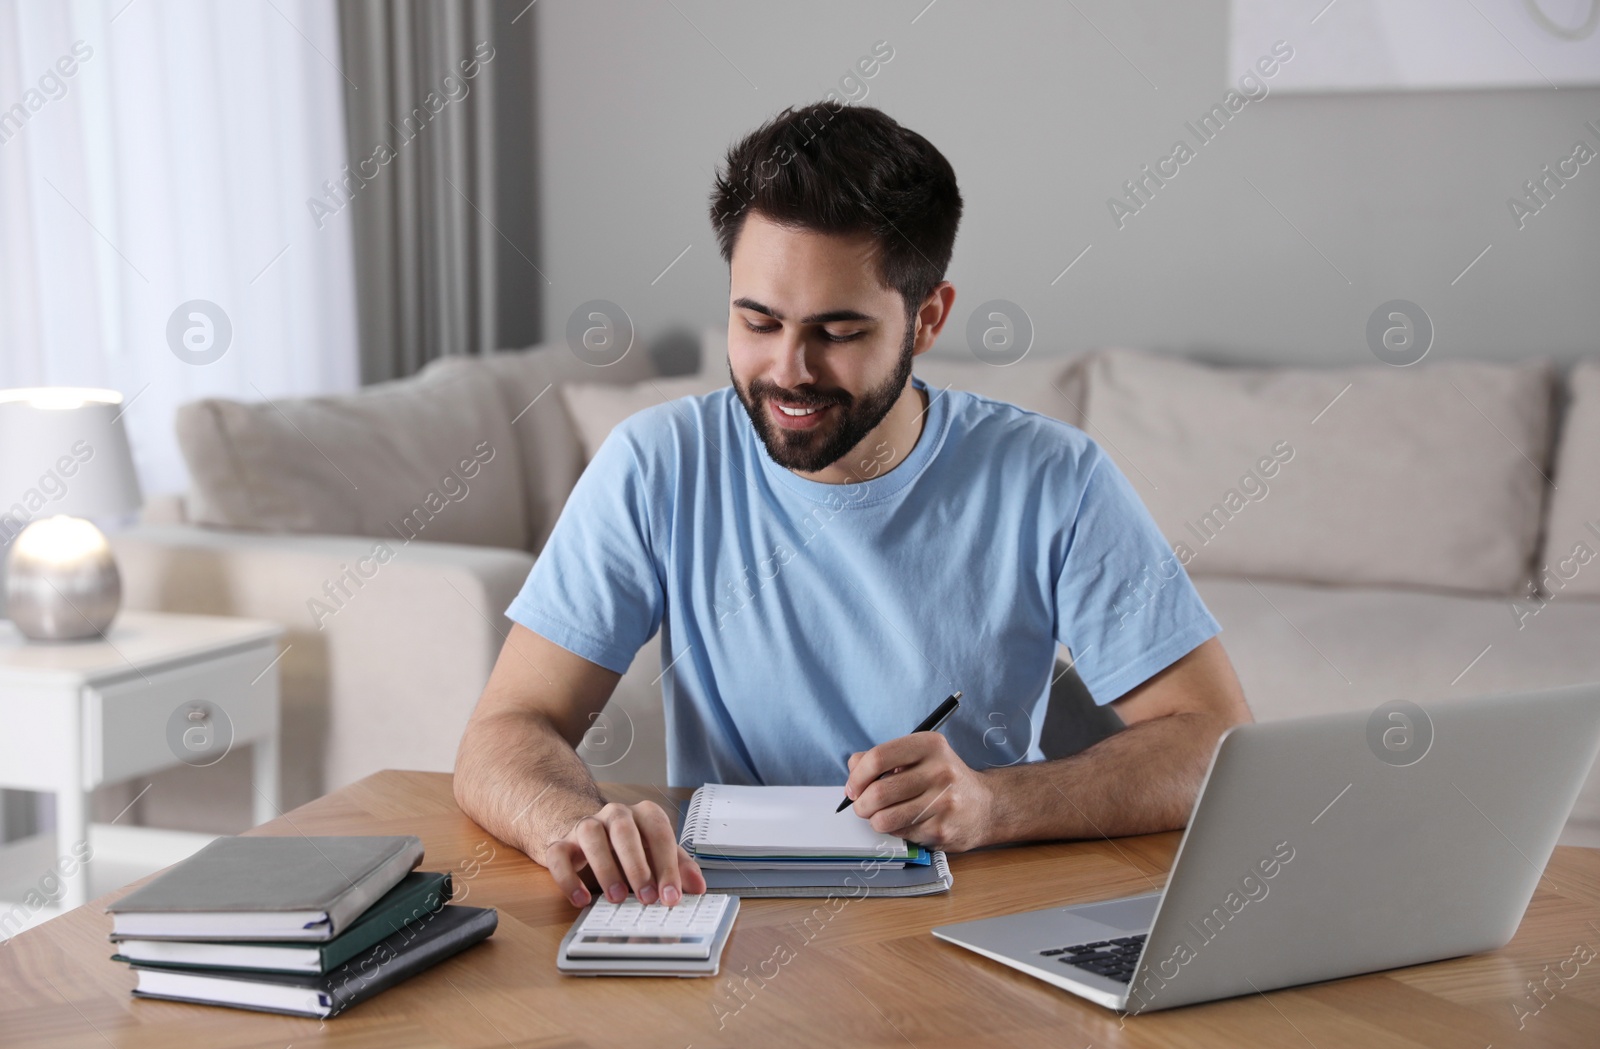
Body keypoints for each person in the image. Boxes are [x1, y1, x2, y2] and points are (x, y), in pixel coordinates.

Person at [454, 101, 1252, 910]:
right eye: (757, 321)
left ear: (927, 318)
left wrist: (995, 804)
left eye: (837, 332)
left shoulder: (1056, 477)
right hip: (727, 916)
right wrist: (572, 820)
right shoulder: (656, 464)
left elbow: (1212, 739)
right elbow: (507, 728)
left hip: (967, 919)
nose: (788, 370)